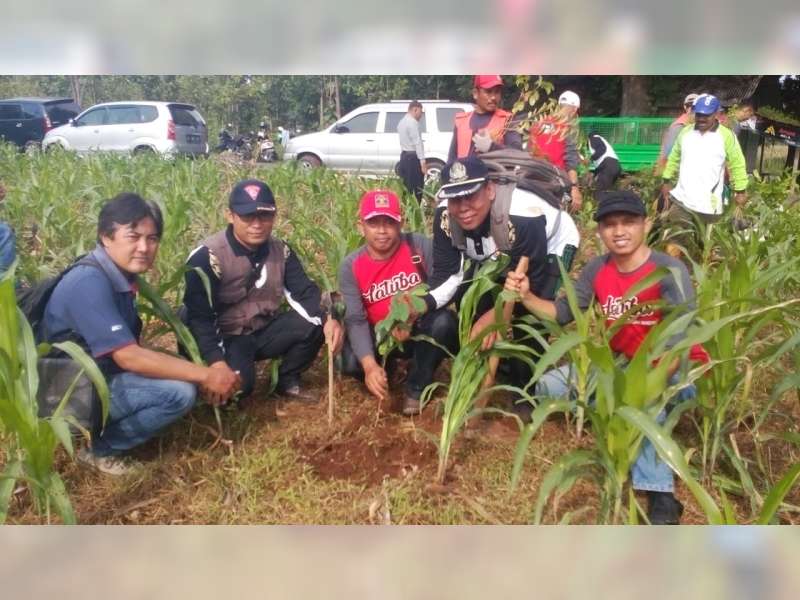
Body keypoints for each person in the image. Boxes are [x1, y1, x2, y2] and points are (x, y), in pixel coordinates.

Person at [504, 190, 710, 524]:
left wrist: (642, 388)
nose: (619, 231)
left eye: (628, 222)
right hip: (624, 364)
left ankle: (661, 496)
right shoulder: (598, 269)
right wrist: (526, 295)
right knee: (546, 387)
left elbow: (680, 342)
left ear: (646, 224)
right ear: (599, 231)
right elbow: (560, 313)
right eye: (609, 224)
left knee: (638, 405)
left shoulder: (669, 270)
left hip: (676, 369)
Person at [41, 193, 241, 476]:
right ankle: (99, 449)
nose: (144, 247)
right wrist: (206, 374)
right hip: (66, 392)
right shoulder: (89, 282)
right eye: (133, 237)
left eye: (152, 238)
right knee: (179, 393)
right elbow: (128, 357)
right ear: (106, 236)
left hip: (91, 376)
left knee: (180, 375)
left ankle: (100, 429)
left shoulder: (116, 275)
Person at [411, 156, 559, 418]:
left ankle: (524, 390)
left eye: (471, 196)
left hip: (546, 251)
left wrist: (498, 315)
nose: (463, 207)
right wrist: (423, 304)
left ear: (490, 190)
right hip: (491, 256)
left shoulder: (524, 215)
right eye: (456, 199)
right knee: (475, 307)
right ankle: (481, 375)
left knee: (530, 313)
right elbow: (448, 273)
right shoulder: (446, 217)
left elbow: (527, 277)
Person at [183, 179, 343, 404]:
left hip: (261, 329)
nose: (257, 224)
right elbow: (199, 318)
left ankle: (286, 380)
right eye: (248, 217)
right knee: (239, 390)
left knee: (315, 322)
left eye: (265, 216)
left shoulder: (282, 251)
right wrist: (216, 362)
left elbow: (304, 292)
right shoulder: (208, 257)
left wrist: (329, 319)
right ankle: (204, 381)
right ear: (230, 216)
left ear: (274, 216)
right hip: (226, 335)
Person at [338, 190, 458, 415]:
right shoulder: (351, 266)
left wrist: (409, 319)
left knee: (444, 322)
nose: (382, 231)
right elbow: (355, 319)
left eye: (389, 223)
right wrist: (370, 366)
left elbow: (443, 286)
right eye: (374, 223)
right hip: (381, 334)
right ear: (360, 226)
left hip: (418, 329)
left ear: (400, 223)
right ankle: (389, 369)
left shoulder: (419, 247)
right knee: (351, 364)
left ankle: (416, 386)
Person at [660, 93, 749, 232]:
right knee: (675, 241)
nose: (701, 118)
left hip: (708, 206)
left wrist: (741, 191)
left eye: (706, 115)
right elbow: (674, 157)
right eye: (698, 114)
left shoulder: (726, 136)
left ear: (716, 114)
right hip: (682, 199)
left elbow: (737, 164)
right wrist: (666, 180)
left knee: (703, 247)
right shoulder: (685, 133)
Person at [527, 91, 584, 211]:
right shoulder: (567, 128)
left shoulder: (539, 122)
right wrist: (574, 188)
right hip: (554, 182)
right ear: (574, 110)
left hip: (532, 179)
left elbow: (529, 150)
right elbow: (571, 160)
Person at [448, 75, 522, 162]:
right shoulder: (461, 121)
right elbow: (451, 159)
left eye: (497, 92)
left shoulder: (507, 120)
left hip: (495, 175)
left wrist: (492, 147)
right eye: (488, 92)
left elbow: (517, 154)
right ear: (475, 93)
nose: (493, 97)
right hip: (465, 175)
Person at [655, 92, 698, 174]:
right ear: (685, 107)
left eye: (695, 106)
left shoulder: (697, 125)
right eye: (689, 106)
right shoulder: (679, 126)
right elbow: (667, 154)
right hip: (677, 172)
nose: (692, 109)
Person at [396, 100, 427, 203]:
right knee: (417, 186)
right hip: (413, 159)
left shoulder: (401, 122)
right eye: (420, 112)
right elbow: (417, 142)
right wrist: (422, 162)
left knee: (406, 186)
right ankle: (416, 209)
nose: (421, 115)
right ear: (415, 109)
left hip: (404, 156)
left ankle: (407, 209)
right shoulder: (412, 123)